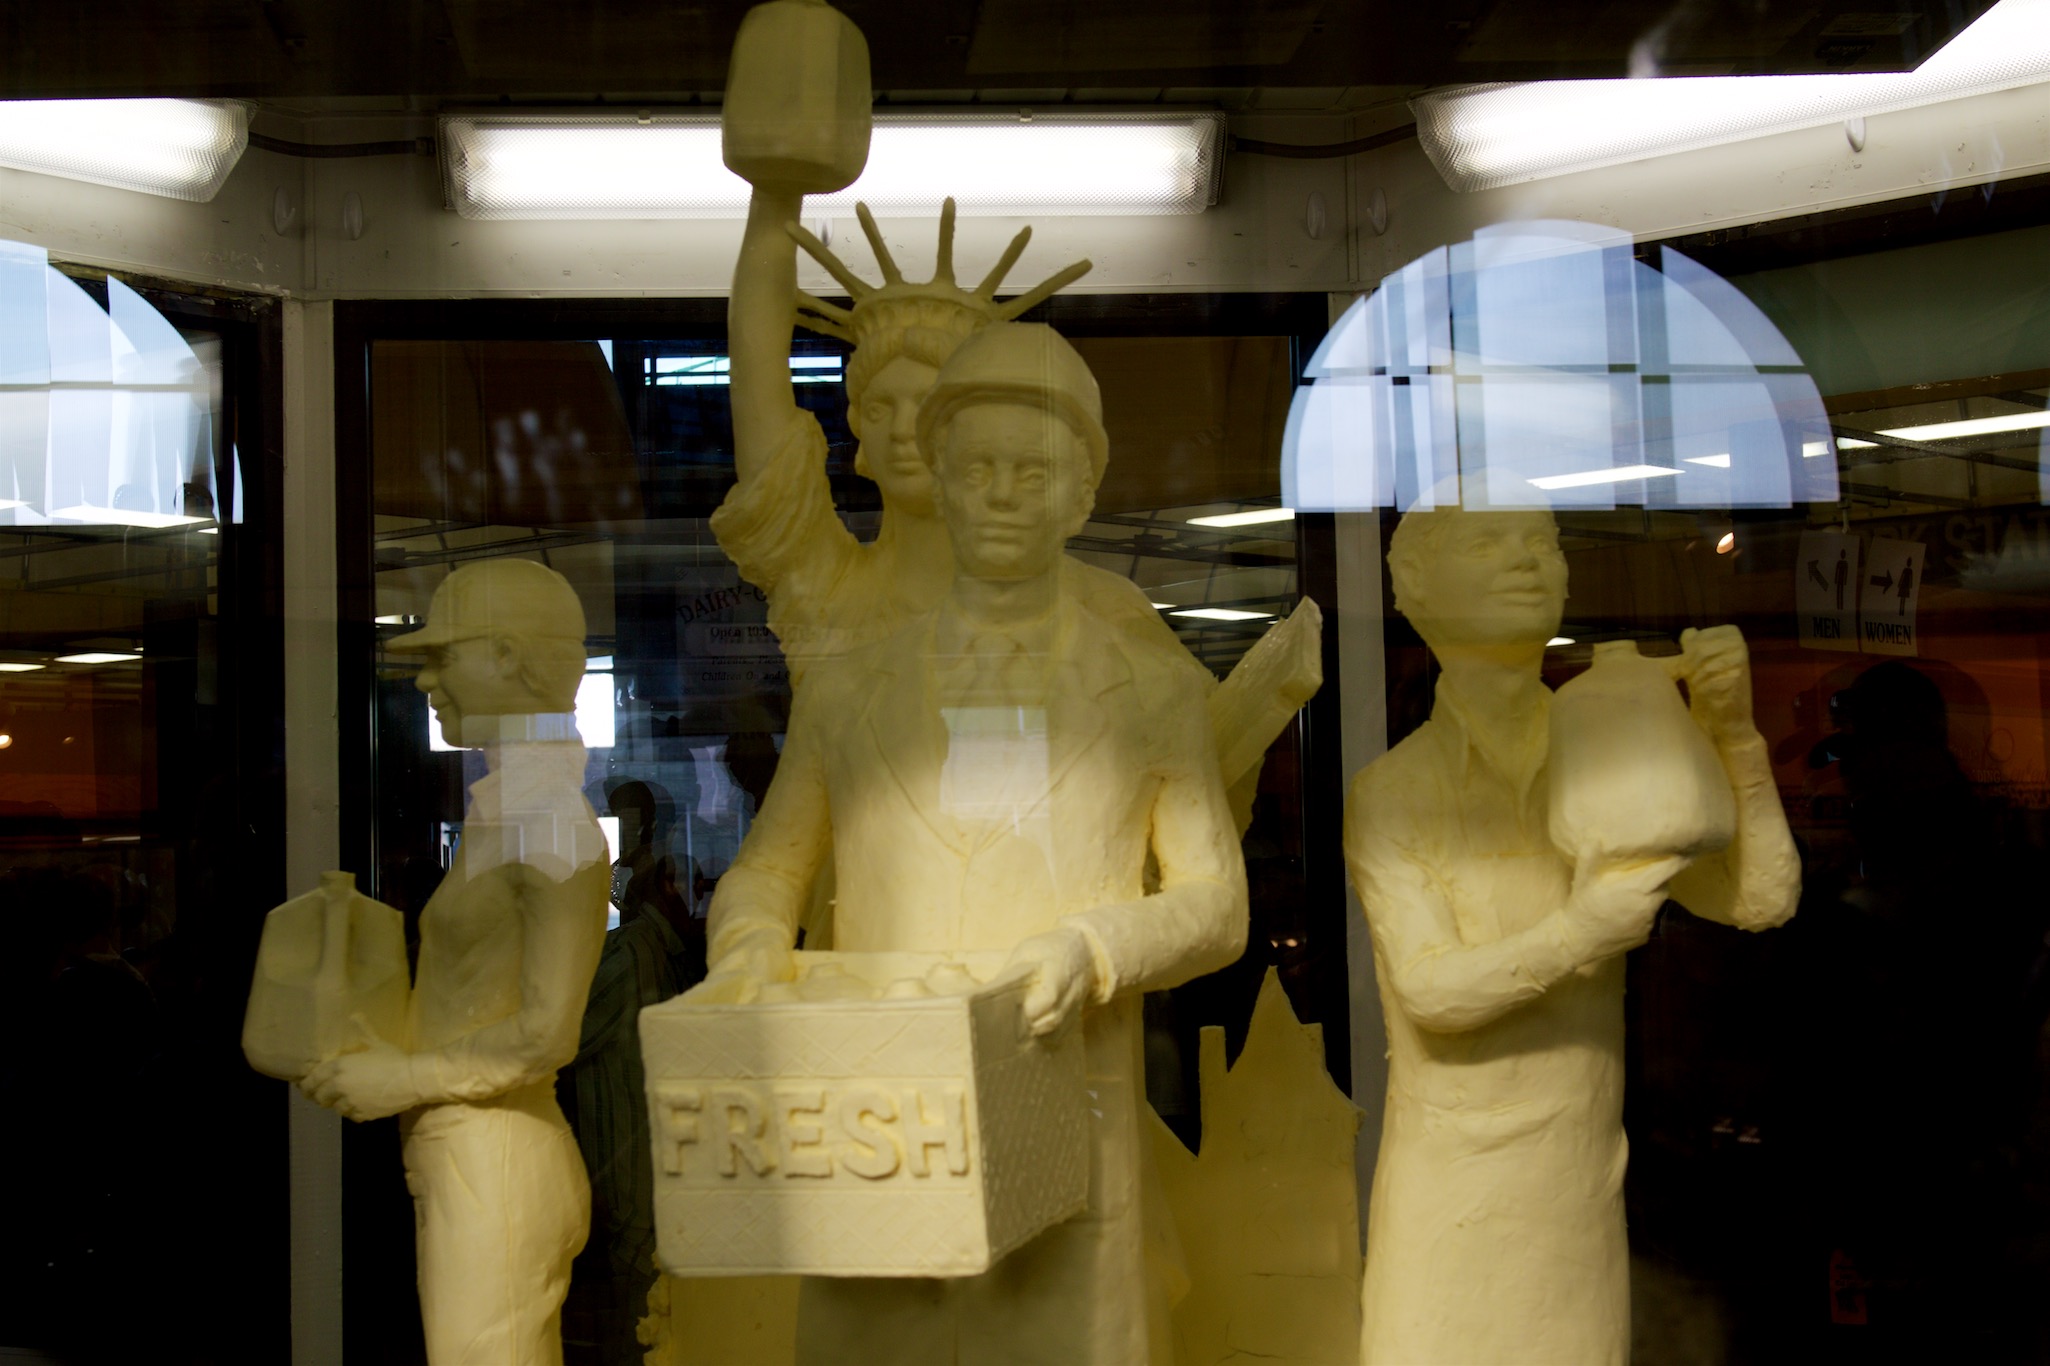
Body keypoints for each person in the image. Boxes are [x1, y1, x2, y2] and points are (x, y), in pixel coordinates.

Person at [695, 322, 1248, 1365]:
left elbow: (1217, 902)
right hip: (877, 1124)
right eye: (978, 467)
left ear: (1083, 494)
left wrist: (1091, 947)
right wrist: (749, 943)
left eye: (1033, 471)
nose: (1001, 492)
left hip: (1063, 1113)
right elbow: (770, 864)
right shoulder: (853, 688)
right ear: (937, 482)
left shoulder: (1151, 689)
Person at [1345, 501, 1799, 1366]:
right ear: (1414, 590)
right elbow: (1431, 990)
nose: (1529, 562)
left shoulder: (1613, 743)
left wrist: (1732, 735)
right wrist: (1582, 930)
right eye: (1490, 544)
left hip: (1578, 1180)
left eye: (1544, 545)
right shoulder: (1394, 792)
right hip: (1454, 1184)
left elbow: (1759, 898)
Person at [297, 558, 611, 1366]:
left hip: (496, 1157)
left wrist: (397, 1078)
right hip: (471, 1149)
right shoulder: (510, 810)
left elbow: (546, 1036)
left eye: (444, 658)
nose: (425, 681)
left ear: (509, 656)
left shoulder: (545, 820)